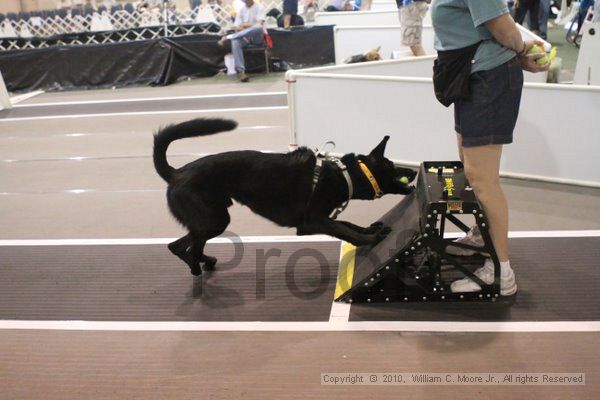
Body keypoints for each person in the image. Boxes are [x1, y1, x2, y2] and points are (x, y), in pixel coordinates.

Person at [430, 0, 549, 295]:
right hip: (470, 74)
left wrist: (520, 50)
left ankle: (501, 271)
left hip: (488, 78)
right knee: (470, 167)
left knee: (483, 179)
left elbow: (502, 26)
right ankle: (484, 239)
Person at [218, 0, 266, 82]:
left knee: (258, 28)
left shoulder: (259, 7)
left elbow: (259, 23)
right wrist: (249, 26)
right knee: (235, 41)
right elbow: (237, 28)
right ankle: (241, 72)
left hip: (257, 38)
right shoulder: (241, 10)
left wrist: (245, 25)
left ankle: (229, 37)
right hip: (245, 38)